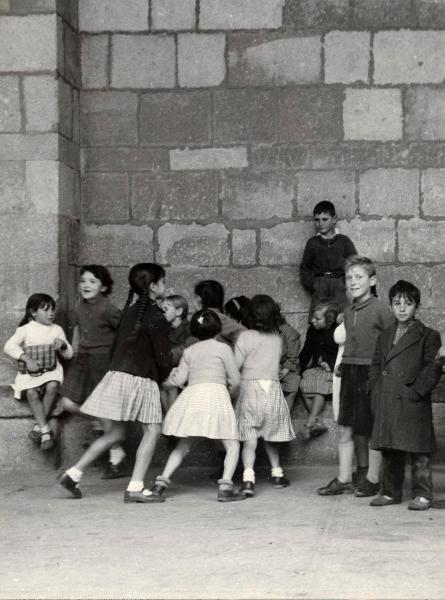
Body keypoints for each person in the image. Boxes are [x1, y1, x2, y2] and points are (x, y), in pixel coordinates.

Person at [57, 263, 172, 502]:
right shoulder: (156, 316)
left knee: (115, 432)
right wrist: (164, 377)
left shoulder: (131, 312)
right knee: (152, 430)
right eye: (162, 282)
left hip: (117, 375)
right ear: (152, 287)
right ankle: (135, 488)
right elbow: (163, 357)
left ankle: (73, 473)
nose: (165, 286)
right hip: (141, 378)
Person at [149, 309, 245, 503]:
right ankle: (226, 487)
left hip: (193, 397)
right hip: (216, 395)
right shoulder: (223, 349)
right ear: (218, 328)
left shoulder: (189, 350)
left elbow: (180, 379)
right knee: (232, 444)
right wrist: (231, 395)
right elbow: (235, 380)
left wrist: (167, 381)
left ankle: (160, 484)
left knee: (183, 444)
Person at [317, 255, 393, 497]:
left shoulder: (382, 309)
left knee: (370, 429)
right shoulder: (348, 312)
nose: (352, 282)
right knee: (345, 427)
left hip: (371, 373)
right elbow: (351, 342)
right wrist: (344, 365)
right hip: (349, 372)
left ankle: (372, 479)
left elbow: (392, 342)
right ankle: (344, 478)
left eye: (358, 277)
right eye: (349, 278)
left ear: (372, 281)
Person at [368, 280, 442, 510]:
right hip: (387, 398)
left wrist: (417, 390)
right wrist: (374, 387)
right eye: (396, 303)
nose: (402, 308)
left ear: (416, 307)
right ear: (390, 306)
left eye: (407, 303)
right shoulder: (385, 335)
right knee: (390, 448)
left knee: (418, 450)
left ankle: (423, 494)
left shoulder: (428, 335)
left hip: (412, 400)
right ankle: (390, 491)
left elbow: (434, 366)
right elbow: (375, 364)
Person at [57, 265, 128, 479]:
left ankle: (116, 454)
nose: (86, 285)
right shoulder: (79, 306)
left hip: (102, 361)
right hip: (83, 360)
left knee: (105, 411)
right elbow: (79, 330)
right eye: (83, 281)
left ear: (104, 287)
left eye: (92, 281)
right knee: (68, 403)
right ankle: (116, 446)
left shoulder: (108, 308)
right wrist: (76, 352)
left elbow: (126, 331)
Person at [234, 295, 295, 497]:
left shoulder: (245, 337)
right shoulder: (277, 340)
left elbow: (236, 365)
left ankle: (248, 479)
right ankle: (277, 473)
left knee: (249, 438)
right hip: (272, 389)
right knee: (271, 436)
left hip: (250, 388)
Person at [4, 293, 73, 451]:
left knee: (53, 386)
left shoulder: (57, 329)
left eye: (53, 309)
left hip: (51, 371)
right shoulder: (25, 330)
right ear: (33, 312)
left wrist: (62, 345)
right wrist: (27, 359)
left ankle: (39, 427)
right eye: (46, 310)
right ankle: (44, 429)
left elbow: (69, 354)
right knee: (31, 393)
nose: (51, 313)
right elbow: (8, 346)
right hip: (30, 373)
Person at [300, 201, 356, 314]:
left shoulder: (344, 241)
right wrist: (314, 285)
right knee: (320, 320)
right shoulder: (312, 243)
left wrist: (346, 284)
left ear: (334, 219)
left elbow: (355, 264)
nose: (320, 223)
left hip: (340, 286)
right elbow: (305, 267)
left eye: (325, 219)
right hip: (320, 288)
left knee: (342, 320)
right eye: (317, 220)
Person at [299, 301, 338, 439]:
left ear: (329, 320)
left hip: (333, 370)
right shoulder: (312, 330)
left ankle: (310, 423)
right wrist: (300, 368)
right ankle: (318, 421)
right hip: (317, 367)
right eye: (313, 317)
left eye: (317, 318)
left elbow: (343, 352)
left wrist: (332, 365)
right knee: (303, 384)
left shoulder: (338, 331)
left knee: (319, 384)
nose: (312, 320)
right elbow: (306, 351)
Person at [160, 294, 196, 413]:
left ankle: (170, 419)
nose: (163, 312)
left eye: (166, 309)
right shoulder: (165, 330)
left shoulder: (189, 329)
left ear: (179, 311)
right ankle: (168, 419)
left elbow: (186, 350)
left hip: (185, 373)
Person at [194, 280, 245, 347]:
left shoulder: (213, 317)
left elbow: (244, 334)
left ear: (199, 300)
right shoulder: (205, 317)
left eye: (195, 298)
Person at [278, 313, 301, 414]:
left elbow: (293, 355)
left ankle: (284, 418)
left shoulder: (289, 332)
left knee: (291, 389)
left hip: (288, 368)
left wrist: (285, 370)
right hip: (272, 367)